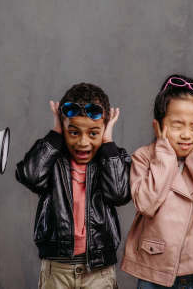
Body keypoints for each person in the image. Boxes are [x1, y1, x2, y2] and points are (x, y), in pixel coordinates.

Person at [121, 74, 193, 288]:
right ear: (158, 126)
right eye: (177, 125)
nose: (186, 134)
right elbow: (146, 204)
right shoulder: (144, 157)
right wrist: (164, 155)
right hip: (155, 270)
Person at [15, 83, 131, 289]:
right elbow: (30, 176)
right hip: (57, 269)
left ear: (105, 128)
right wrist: (55, 134)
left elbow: (120, 194)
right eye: (73, 132)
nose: (83, 142)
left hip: (99, 271)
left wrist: (108, 143)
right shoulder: (53, 158)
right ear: (63, 128)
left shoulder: (112, 158)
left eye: (94, 133)